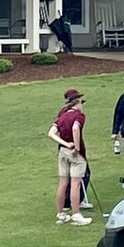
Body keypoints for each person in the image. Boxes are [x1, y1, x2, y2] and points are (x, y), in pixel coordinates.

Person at [49, 89, 92, 226]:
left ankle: (61, 213)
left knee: (62, 183)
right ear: (77, 102)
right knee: (75, 183)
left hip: (62, 151)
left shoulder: (62, 115)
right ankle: (76, 214)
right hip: (75, 154)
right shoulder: (79, 116)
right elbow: (75, 128)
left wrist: (65, 144)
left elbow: (52, 133)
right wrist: (76, 147)